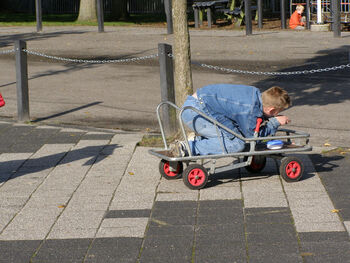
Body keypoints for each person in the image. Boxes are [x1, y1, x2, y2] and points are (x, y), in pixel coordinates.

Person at [170, 84, 291, 157]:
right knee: (237, 143)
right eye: (277, 112)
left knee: (233, 134)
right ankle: (186, 148)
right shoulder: (249, 111)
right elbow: (252, 137)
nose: (277, 115)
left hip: (193, 106)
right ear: (271, 110)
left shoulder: (254, 94)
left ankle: (196, 140)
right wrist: (275, 122)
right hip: (197, 112)